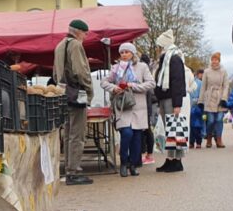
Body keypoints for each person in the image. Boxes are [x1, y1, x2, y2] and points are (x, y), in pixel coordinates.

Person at [101, 43, 156, 177]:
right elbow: (104, 82)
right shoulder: (116, 68)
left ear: (133, 53)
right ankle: (124, 162)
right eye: (122, 52)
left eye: (127, 52)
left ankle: (133, 164)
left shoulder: (142, 67)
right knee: (127, 133)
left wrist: (133, 86)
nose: (124, 54)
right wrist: (114, 88)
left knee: (137, 137)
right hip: (123, 106)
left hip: (138, 106)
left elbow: (151, 83)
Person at [54, 19, 94, 185]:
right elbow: (80, 71)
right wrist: (89, 89)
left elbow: (56, 73)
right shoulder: (76, 45)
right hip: (76, 93)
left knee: (69, 134)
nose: (85, 36)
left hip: (63, 92)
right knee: (77, 134)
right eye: (85, 33)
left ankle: (70, 169)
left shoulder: (60, 45)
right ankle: (73, 171)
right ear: (78, 32)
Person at [153, 29, 189, 173]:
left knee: (174, 130)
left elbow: (177, 81)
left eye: (159, 46)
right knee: (170, 131)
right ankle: (171, 159)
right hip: (164, 98)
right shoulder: (166, 59)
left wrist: (177, 104)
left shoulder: (174, 59)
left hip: (171, 99)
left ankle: (177, 161)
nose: (158, 48)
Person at [198, 54, 229, 147]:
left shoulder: (223, 71)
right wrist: (201, 100)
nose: (214, 61)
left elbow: (226, 86)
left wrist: (224, 98)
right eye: (213, 59)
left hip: (220, 98)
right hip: (209, 98)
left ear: (219, 61)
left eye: (216, 60)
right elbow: (203, 87)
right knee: (210, 120)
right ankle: (209, 138)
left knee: (219, 119)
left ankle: (219, 139)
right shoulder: (207, 72)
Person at [140, 53, 158, 164]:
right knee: (146, 130)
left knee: (146, 130)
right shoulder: (151, 70)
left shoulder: (146, 72)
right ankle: (147, 154)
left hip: (146, 105)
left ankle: (148, 155)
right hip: (148, 105)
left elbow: (151, 90)